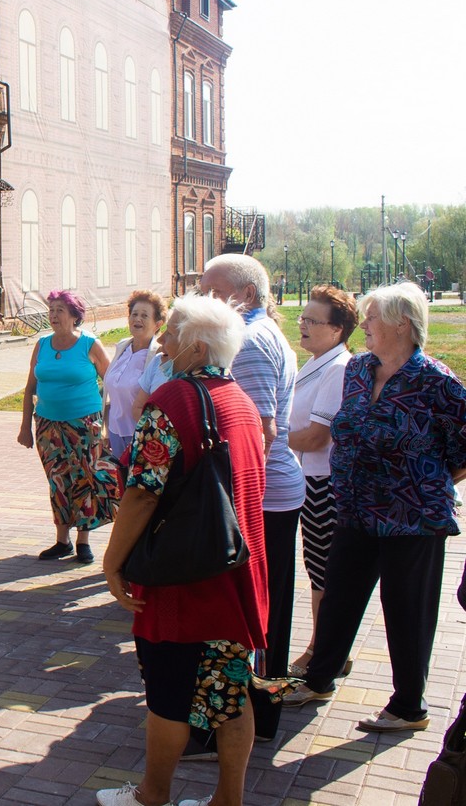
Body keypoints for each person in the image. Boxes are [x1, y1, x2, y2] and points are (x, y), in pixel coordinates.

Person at [97, 295, 269, 806]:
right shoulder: (240, 400)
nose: (163, 342)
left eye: (171, 333)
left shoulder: (172, 401)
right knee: (230, 693)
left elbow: (143, 490)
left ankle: (153, 795)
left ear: (196, 347)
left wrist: (113, 563)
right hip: (235, 573)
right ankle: (228, 800)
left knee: (170, 698)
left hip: (184, 581)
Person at [285, 283, 466, 733]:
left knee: (406, 610)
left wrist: (424, 483)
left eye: (372, 318)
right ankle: (318, 678)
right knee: (340, 596)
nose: (363, 325)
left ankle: (409, 707)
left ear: (402, 324)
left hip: (412, 519)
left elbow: (462, 452)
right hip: (355, 509)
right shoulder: (360, 370)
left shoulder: (436, 382)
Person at [200, 254, 300, 742]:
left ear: (246, 296)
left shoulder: (253, 342)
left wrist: (234, 504)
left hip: (262, 499)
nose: (204, 301)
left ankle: (255, 717)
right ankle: (256, 717)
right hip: (262, 496)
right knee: (262, 611)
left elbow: (260, 432)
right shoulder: (250, 335)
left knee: (259, 614)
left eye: (213, 292)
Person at [285, 285, 357, 676]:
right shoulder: (315, 363)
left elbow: (316, 436)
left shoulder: (338, 368)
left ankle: (322, 649)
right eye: (303, 318)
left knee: (324, 570)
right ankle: (327, 646)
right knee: (317, 567)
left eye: (313, 321)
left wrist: (273, 437)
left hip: (323, 482)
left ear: (338, 329)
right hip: (309, 478)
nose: (304, 326)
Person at [18, 289, 119, 564]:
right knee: (58, 481)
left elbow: (113, 383)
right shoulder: (42, 345)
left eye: (59, 310)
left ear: (74, 316)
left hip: (84, 425)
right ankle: (62, 541)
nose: (53, 315)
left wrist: (109, 425)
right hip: (48, 426)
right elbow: (30, 388)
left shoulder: (90, 344)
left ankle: (83, 541)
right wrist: (25, 427)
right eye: (51, 310)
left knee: (83, 480)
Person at [105, 291, 166, 460]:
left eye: (144, 315)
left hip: (141, 434)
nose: (137, 319)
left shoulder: (159, 355)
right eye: (134, 314)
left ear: (158, 324)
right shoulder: (122, 347)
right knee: (121, 482)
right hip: (115, 431)